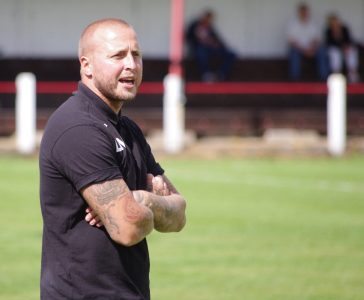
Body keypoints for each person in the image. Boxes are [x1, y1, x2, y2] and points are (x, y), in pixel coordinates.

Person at [39, 18, 187, 299]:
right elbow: (129, 228)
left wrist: (141, 200)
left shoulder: (128, 129)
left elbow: (179, 215)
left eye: (136, 54)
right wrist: (148, 205)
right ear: (87, 66)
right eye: (117, 55)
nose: (131, 64)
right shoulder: (78, 128)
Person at [186, 9, 236, 82]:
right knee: (201, 52)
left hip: (212, 50)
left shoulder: (210, 27)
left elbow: (218, 40)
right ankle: (206, 75)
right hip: (200, 49)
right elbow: (189, 38)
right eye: (207, 18)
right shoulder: (194, 25)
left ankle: (221, 74)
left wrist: (217, 45)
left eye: (210, 19)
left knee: (231, 54)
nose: (208, 20)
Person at [287, 3, 328, 81]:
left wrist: (312, 48)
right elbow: (291, 41)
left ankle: (324, 78)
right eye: (302, 12)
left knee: (322, 50)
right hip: (299, 49)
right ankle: (294, 80)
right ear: (299, 13)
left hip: (312, 48)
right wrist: (304, 50)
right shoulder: (293, 24)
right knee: (293, 52)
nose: (304, 14)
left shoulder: (313, 23)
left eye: (305, 12)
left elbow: (318, 38)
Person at [325, 13, 360, 83]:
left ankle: (352, 74)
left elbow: (349, 40)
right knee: (335, 54)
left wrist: (346, 47)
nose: (335, 23)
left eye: (336, 21)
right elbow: (329, 43)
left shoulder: (344, 29)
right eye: (333, 22)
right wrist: (341, 48)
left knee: (352, 52)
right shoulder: (328, 31)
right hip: (335, 49)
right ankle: (337, 75)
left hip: (346, 48)